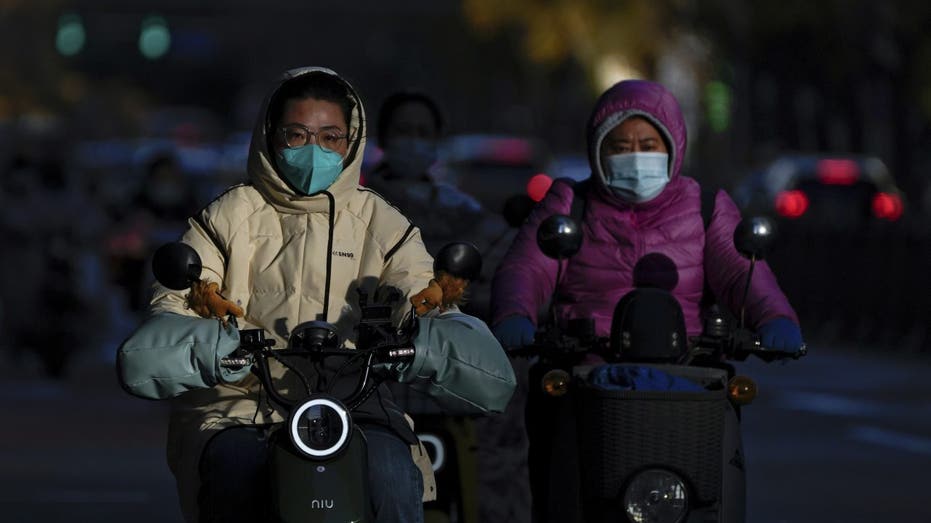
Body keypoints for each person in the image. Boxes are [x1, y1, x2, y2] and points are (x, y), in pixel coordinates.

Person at [116, 67, 516, 523]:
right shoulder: (227, 216)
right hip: (241, 407)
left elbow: (423, 297)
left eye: (330, 137)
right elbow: (175, 306)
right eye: (297, 135)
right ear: (271, 135)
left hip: (356, 405)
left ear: (352, 142)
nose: (314, 150)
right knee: (234, 469)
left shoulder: (383, 224)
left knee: (392, 472)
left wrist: (423, 334)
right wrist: (217, 345)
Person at [489, 79, 804, 520]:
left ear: (673, 144)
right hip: (589, 377)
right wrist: (514, 315)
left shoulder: (706, 207)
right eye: (620, 146)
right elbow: (526, 268)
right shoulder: (570, 203)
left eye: (648, 143)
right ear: (598, 151)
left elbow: (740, 272)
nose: (635, 156)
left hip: (687, 379)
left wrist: (776, 320)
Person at [365, 91, 528, 522]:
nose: (413, 141)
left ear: (438, 140)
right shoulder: (355, 209)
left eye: (423, 132)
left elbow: (505, 270)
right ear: (382, 138)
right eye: (404, 131)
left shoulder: (466, 214)